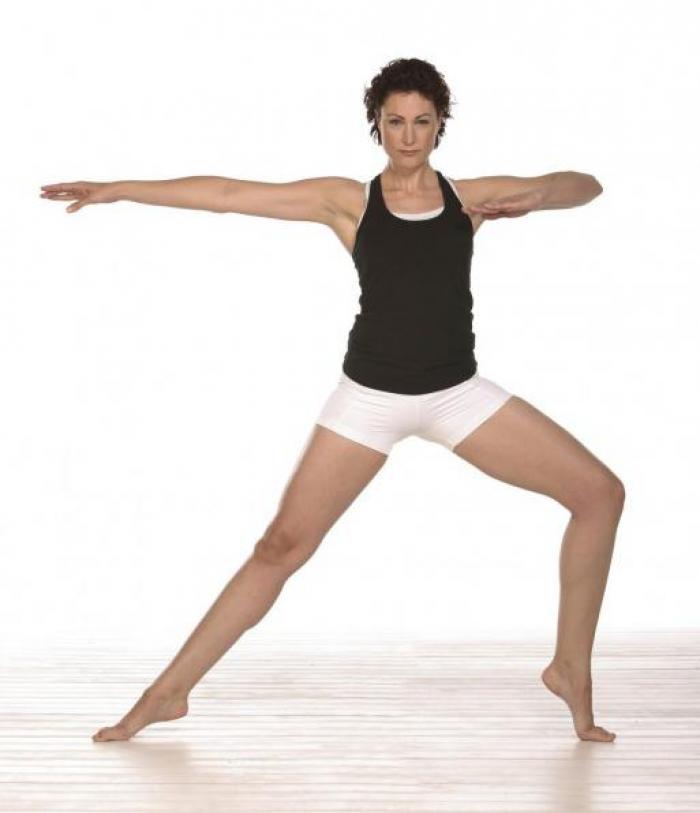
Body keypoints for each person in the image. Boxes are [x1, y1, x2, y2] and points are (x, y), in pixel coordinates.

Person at [40, 57, 623, 744]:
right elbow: (226, 193)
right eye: (396, 122)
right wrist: (117, 189)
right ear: (377, 124)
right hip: (369, 398)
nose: (409, 136)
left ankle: (569, 668)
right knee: (279, 546)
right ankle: (165, 694)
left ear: (441, 125)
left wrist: (536, 197)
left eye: (423, 122)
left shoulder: (469, 198)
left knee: (600, 494)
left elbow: (585, 186)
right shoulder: (347, 201)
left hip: (455, 394)